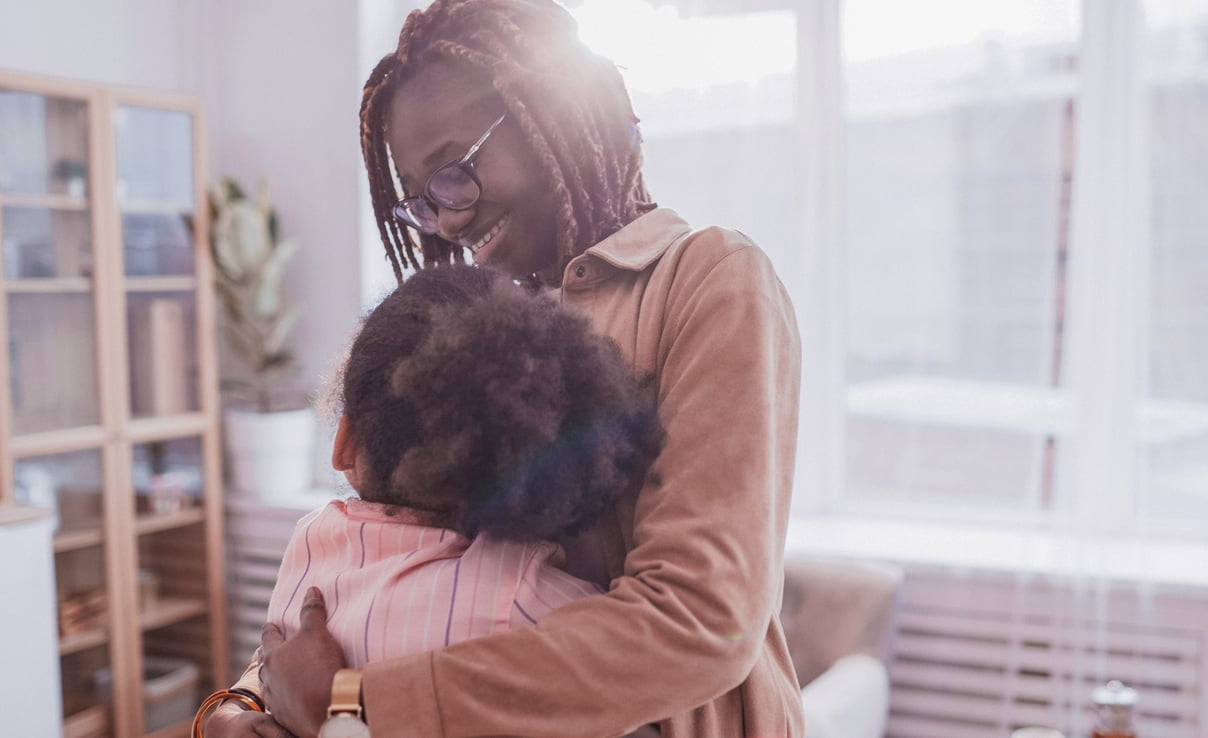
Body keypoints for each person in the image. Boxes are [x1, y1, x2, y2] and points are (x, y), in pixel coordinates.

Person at [213, 0, 804, 735]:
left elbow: (699, 620)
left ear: (552, 111)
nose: (450, 220)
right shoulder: (481, 322)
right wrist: (241, 710)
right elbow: (377, 580)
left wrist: (353, 702)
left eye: (454, 172)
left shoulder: (711, 279)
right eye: (424, 203)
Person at [201, 263, 664, 737]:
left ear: (344, 445)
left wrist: (230, 717)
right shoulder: (527, 599)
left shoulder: (309, 544)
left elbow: (267, 670)